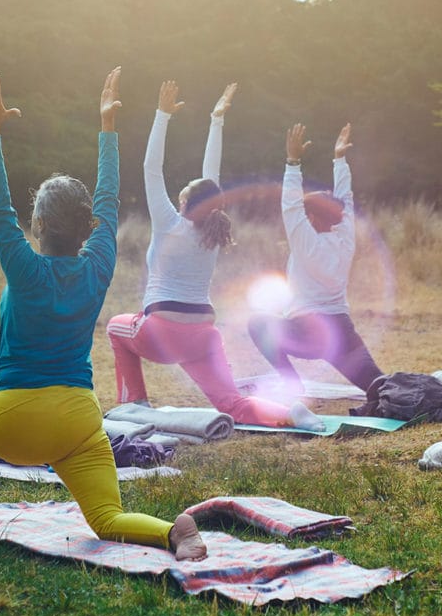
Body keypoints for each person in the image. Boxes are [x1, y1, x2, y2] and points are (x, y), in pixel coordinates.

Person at [0, 69, 206, 561]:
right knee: (106, 520)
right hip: (77, 421)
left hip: (13, 426)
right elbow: (109, 203)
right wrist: (107, 130)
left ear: (40, 225)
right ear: (86, 226)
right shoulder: (97, 267)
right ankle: (173, 532)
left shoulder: (24, 267)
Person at [106, 81, 324, 431]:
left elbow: (151, 167)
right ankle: (293, 413)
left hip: (161, 332)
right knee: (231, 403)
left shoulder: (169, 223)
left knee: (116, 328)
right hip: (204, 335)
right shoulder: (212, 231)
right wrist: (216, 120)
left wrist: (162, 115)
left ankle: (135, 404)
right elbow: (213, 177)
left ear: (183, 202)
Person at [247, 123, 384, 396]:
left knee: (257, 323)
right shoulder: (345, 238)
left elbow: (290, 207)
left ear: (310, 218)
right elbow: (345, 198)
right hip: (342, 333)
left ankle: (291, 384)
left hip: (306, 333)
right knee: (381, 387)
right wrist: (339, 160)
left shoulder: (305, 243)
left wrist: (293, 162)